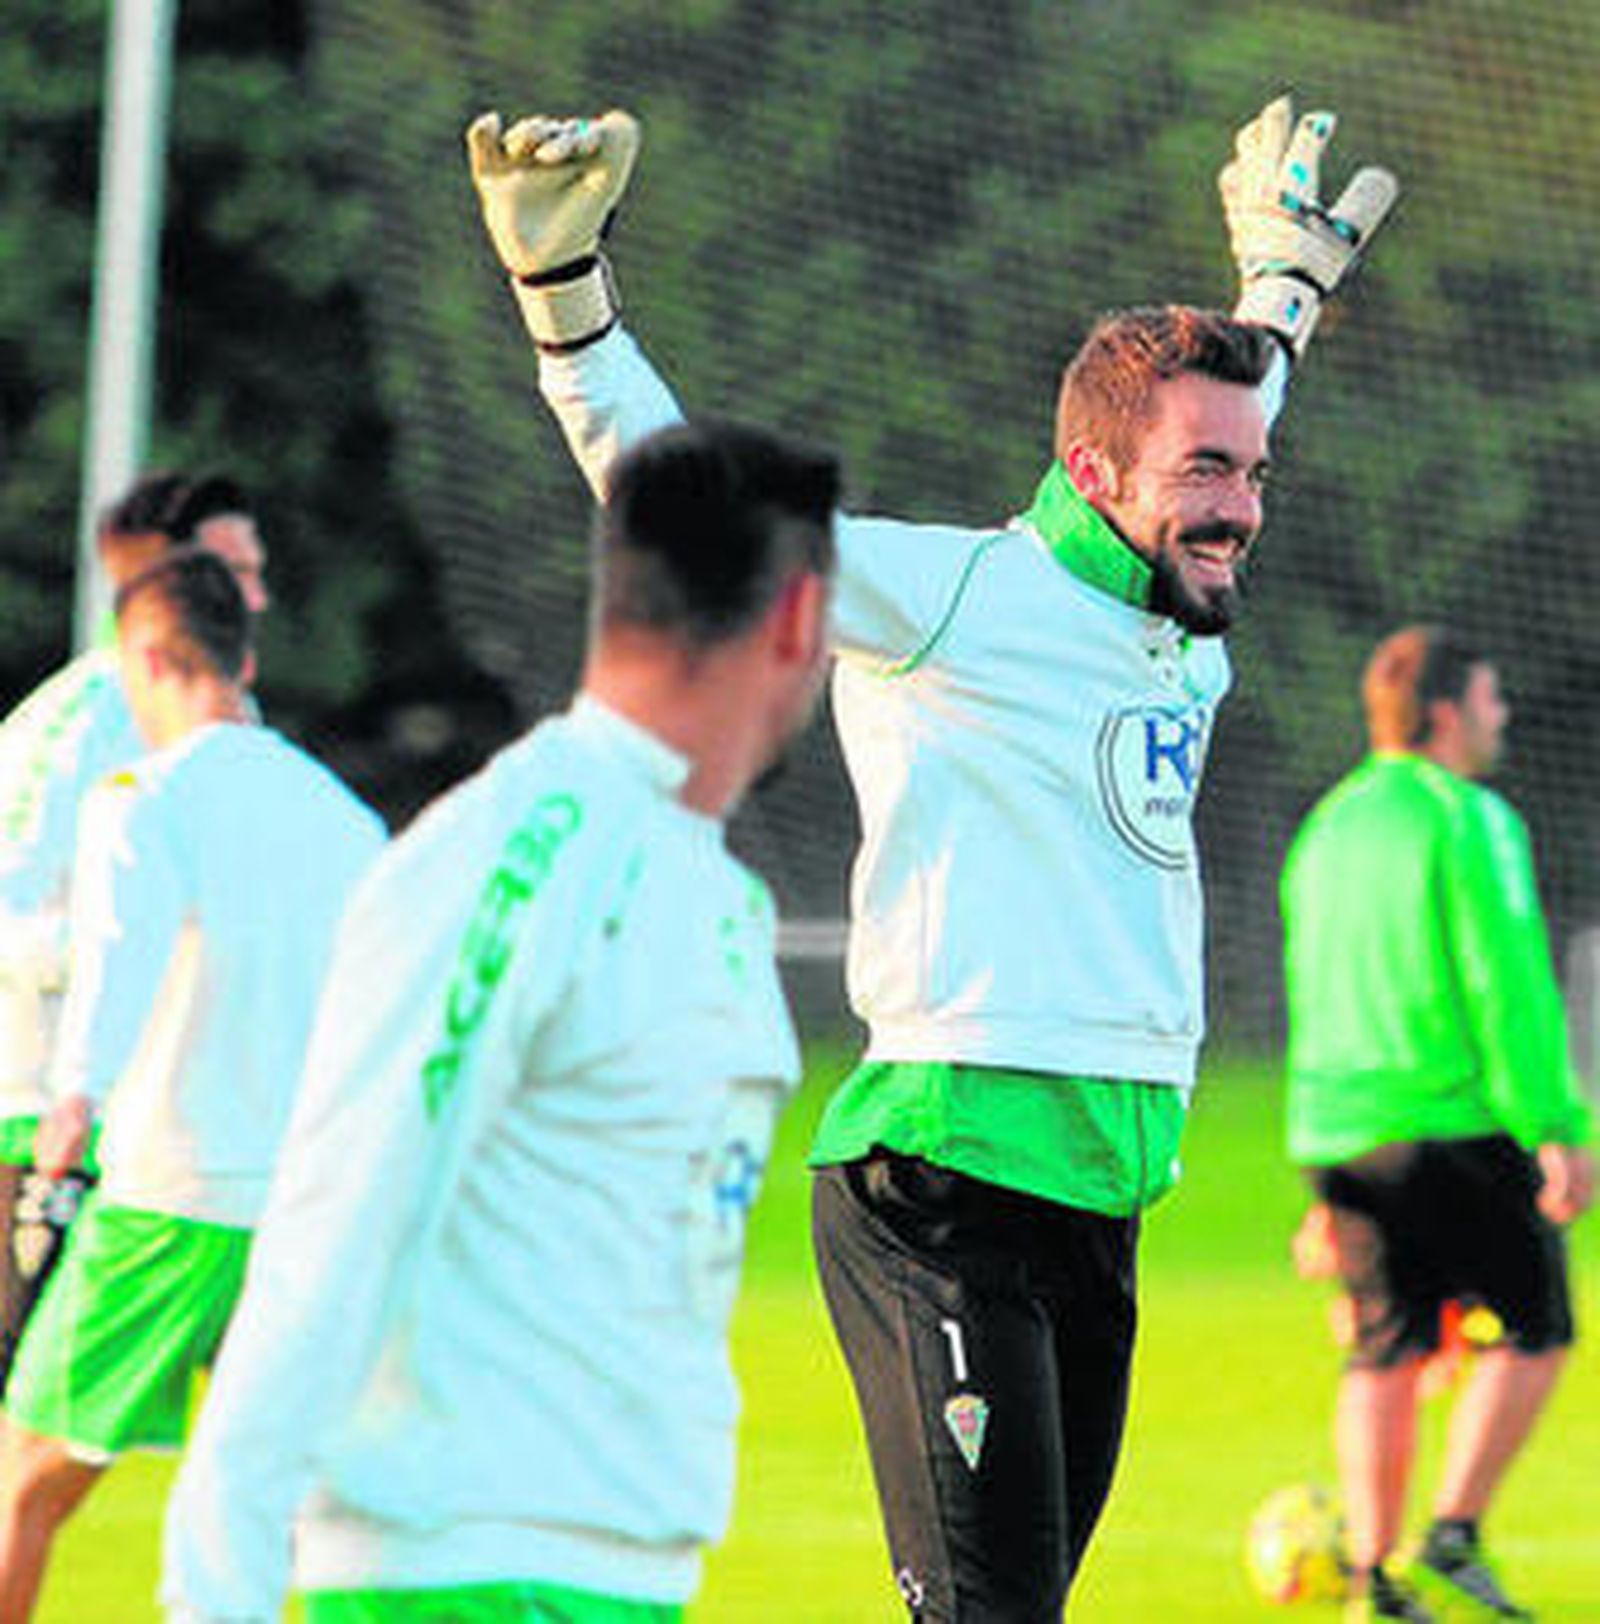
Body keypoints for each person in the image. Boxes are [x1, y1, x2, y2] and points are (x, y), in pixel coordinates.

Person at [461, 96, 1397, 1618]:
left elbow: (1235, 407)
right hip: (941, 1179)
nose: (1242, 508)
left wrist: (1278, 293)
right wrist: (567, 306)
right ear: (1096, 480)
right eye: (1210, 479)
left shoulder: (1173, 593)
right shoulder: (960, 596)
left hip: (1101, 1199)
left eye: (1255, 476)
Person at [159, 419, 838, 1624]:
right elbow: (339, 1213)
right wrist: (218, 1591)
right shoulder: (514, 856)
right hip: (463, 1573)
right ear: (795, 618)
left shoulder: (706, 884)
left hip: (609, 1571)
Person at [0, 550, 384, 1622]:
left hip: (168, 1202)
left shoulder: (142, 799)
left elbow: (119, 951)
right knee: (308, 1509)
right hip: (303, 1211)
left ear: (153, 659)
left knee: (23, 1477)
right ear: (245, 656)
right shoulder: (344, 817)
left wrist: (73, 1096)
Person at [1280, 625, 1595, 1624]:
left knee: (1384, 1347)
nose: (1501, 717)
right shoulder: (1468, 821)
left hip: (1340, 1128)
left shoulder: (1323, 827)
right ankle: (1452, 1533)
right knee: (1536, 1326)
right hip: (1450, 1117)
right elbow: (1504, 982)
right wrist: (1553, 1122)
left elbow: (1308, 984)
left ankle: (1373, 1581)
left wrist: (1315, 1167)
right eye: (1494, 698)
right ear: (1450, 712)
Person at [0, 472, 269, 1390]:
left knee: (271, 1417)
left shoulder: (235, 724)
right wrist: (120, 953)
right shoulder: (71, 728)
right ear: (160, 579)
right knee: (24, 1433)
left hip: (188, 1131)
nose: (258, 597)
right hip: (35, 1120)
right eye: (237, 570)